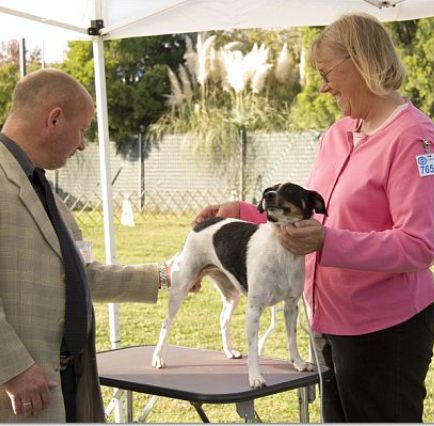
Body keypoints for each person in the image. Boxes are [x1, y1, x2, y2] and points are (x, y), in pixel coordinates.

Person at [194, 13, 434, 422]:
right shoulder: (339, 133)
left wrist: (329, 243)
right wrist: (249, 213)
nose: (323, 86)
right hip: (326, 322)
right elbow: (316, 212)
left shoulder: (414, 139)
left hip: (384, 332)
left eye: (327, 72)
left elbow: (419, 245)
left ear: (360, 61)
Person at [0, 68, 171, 422]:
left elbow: (77, 275)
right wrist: (13, 368)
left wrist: (162, 275)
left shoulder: (44, 189)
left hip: (64, 383)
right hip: (17, 392)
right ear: (55, 119)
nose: (81, 144)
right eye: (82, 130)